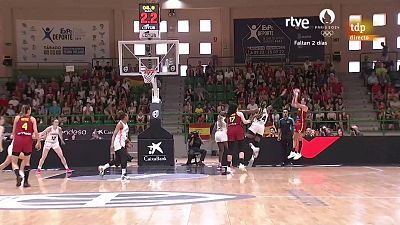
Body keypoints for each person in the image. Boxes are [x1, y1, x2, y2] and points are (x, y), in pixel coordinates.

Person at [11, 105, 41, 187]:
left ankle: (18, 176)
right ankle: (26, 182)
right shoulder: (32, 119)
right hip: (27, 141)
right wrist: (38, 141)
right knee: (27, 162)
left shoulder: (17, 118)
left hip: (18, 139)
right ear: (28, 111)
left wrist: (14, 137)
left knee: (14, 162)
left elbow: (13, 131)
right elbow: (35, 132)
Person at [98, 111, 130, 180]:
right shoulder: (120, 124)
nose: (128, 117)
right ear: (124, 117)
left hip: (122, 143)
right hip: (118, 143)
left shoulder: (125, 124)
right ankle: (123, 175)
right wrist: (112, 144)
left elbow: (124, 135)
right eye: (127, 116)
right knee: (124, 157)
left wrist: (128, 142)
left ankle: (103, 167)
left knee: (117, 161)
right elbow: (114, 134)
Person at [226, 103, 252, 172]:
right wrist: (249, 121)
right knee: (241, 148)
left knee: (230, 149)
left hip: (230, 129)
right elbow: (244, 122)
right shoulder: (239, 113)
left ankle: (228, 166)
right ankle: (241, 164)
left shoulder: (228, 115)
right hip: (238, 129)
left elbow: (227, 124)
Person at [288, 89, 309, 160]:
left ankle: (299, 153)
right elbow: (293, 104)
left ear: (305, 102)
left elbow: (296, 103)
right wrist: (294, 96)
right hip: (298, 123)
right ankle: (293, 151)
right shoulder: (300, 107)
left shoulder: (305, 107)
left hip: (302, 124)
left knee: (299, 138)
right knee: (294, 137)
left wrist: (296, 94)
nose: (301, 100)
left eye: (302, 100)